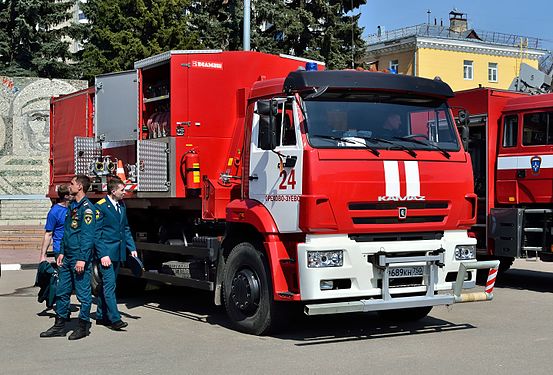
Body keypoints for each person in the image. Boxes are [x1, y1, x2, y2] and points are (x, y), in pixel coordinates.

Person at [40, 175, 96, 340]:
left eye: (72, 183)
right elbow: (67, 232)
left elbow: (87, 237)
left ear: (79, 186)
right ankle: (60, 325)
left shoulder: (87, 209)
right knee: (62, 291)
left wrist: (82, 259)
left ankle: (83, 326)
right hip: (67, 257)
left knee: (83, 294)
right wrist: (62, 251)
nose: (69, 186)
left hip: (79, 258)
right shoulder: (72, 206)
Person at [94, 177, 137, 331]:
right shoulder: (100, 207)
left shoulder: (121, 205)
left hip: (118, 253)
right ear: (113, 191)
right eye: (122, 190)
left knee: (108, 284)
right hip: (106, 254)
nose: (124, 192)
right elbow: (96, 233)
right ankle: (115, 319)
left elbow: (125, 228)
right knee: (110, 286)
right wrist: (102, 254)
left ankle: (101, 315)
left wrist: (132, 248)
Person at [39, 184, 73, 263]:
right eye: (71, 194)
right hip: (60, 249)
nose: (74, 195)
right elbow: (48, 234)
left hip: (74, 248)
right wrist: (42, 256)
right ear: (66, 196)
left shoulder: (74, 207)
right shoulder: (54, 212)